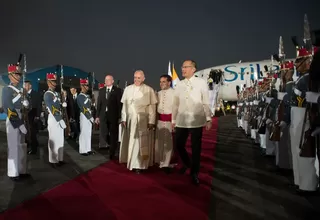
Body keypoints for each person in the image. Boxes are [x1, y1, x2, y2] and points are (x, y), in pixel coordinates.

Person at [172, 60, 212, 185]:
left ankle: (194, 173)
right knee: (178, 145)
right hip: (182, 120)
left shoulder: (201, 82)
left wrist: (208, 118)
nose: (183, 69)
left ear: (193, 69)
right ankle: (187, 163)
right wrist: (173, 119)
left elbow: (206, 101)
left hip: (196, 119)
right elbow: (175, 103)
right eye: (182, 67)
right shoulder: (179, 84)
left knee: (196, 149)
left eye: (186, 67)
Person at [288, 47, 318, 193]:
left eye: (300, 61)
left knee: (304, 149)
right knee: (297, 149)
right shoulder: (301, 78)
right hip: (297, 114)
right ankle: (299, 180)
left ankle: (307, 184)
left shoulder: (307, 78)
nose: (296, 64)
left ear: (307, 62)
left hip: (303, 114)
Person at [119, 70, 157, 173]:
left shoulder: (149, 90)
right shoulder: (128, 89)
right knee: (131, 141)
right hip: (130, 120)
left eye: (139, 78)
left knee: (140, 142)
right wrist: (124, 118)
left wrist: (151, 121)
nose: (136, 79)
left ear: (144, 78)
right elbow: (125, 106)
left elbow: (152, 108)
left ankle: (139, 165)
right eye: (135, 77)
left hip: (142, 120)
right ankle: (130, 161)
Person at [2, 63, 29, 181]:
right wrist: (19, 123)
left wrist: (27, 104)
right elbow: (8, 107)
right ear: (10, 75)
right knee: (13, 146)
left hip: (21, 116)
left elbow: (27, 104)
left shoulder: (20, 90)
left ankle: (21, 170)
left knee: (21, 146)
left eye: (19, 74)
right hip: (13, 119)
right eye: (16, 74)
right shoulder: (7, 89)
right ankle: (13, 173)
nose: (18, 77)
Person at [96, 75, 122, 159]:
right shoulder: (102, 91)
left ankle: (112, 152)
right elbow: (99, 104)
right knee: (104, 133)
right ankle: (110, 143)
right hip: (103, 116)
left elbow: (119, 105)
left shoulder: (118, 91)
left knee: (114, 134)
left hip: (113, 117)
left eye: (108, 79)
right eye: (105, 79)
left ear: (112, 81)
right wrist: (97, 116)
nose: (106, 81)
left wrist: (120, 116)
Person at [43, 73, 67, 168]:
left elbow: (60, 105)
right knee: (53, 139)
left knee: (60, 139)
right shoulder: (47, 94)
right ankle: (53, 160)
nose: (54, 83)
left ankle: (59, 158)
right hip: (54, 118)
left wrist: (64, 99)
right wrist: (59, 119)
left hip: (59, 117)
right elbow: (52, 108)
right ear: (48, 82)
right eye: (52, 81)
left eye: (55, 81)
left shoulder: (56, 93)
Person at [155, 75, 174, 173]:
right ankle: (160, 161)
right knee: (160, 142)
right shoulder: (158, 93)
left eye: (163, 81)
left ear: (169, 82)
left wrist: (174, 122)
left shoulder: (174, 93)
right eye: (160, 81)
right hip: (159, 121)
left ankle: (166, 163)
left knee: (168, 143)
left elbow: (176, 109)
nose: (161, 83)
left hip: (170, 121)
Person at [77, 78, 95, 156]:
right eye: (86, 86)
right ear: (82, 86)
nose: (87, 87)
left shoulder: (87, 95)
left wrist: (93, 103)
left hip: (89, 114)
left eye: (88, 86)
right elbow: (83, 107)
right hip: (84, 115)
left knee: (88, 132)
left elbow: (89, 106)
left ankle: (88, 148)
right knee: (84, 132)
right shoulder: (80, 96)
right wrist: (89, 116)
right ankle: (82, 150)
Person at [24, 79, 42, 155]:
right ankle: (29, 145)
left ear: (30, 86)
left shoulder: (36, 94)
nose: (24, 87)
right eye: (24, 85)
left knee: (32, 133)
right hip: (25, 116)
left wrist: (37, 116)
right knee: (26, 132)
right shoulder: (23, 95)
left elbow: (39, 105)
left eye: (26, 85)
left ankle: (33, 149)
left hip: (33, 115)